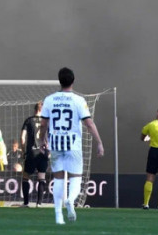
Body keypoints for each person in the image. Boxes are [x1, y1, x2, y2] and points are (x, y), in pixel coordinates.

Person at [40, 67, 104, 225]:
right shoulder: (78, 100)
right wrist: (99, 142)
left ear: (59, 81)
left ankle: (58, 216)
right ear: (73, 81)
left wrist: (42, 139)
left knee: (59, 178)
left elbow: (43, 124)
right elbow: (89, 123)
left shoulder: (49, 99)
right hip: (73, 144)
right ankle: (70, 200)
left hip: (55, 143)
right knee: (76, 177)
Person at [21, 102, 50, 207]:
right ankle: (39, 203)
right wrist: (49, 152)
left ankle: (26, 203)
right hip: (43, 153)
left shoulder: (29, 120)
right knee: (41, 177)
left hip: (32, 153)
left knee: (25, 177)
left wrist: (24, 151)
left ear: (35, 109)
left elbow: (22, 137)